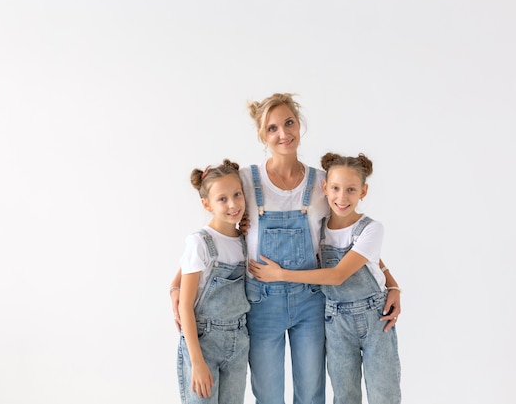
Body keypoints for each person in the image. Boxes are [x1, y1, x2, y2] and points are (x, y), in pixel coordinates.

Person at [170, 93, 401, 404]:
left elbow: (349, 235)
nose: (283, 134)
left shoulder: (323, 182)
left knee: (311, 393)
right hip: (261, 304)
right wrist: (175, 288)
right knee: (268, 395)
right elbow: (213, 238)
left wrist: (391, 281)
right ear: (261, 135)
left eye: (289, 123)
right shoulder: (245, 181)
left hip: (311, 303)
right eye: (272, 128)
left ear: (299, 125)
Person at [248, 152, 401, 404]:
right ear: (325, 188)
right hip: (335, 319)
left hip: (375, 319)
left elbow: (340, 273)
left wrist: (281, 274)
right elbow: (365, 257)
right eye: (336, 189)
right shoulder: (320, 227)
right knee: (344, 396)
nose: (342, 197)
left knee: (384, 394)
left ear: (364, 191)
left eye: (351, 190)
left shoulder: (372, 227)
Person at [176, 159, 251, 404]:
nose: (233, 204)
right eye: (222, 199)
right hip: (203, 343)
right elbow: (185, 305)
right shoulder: (200, 242)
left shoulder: (244, 241)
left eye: (237, 194)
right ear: (206, 204)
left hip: (238, 341)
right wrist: (197, 362)